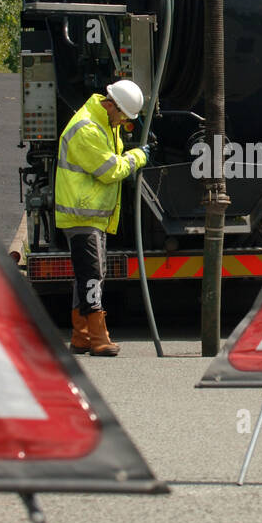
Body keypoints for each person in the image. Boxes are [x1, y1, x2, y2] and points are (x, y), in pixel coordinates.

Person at [54, 79, 149, 355]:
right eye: (122, 116)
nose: (122, 122)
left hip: (89, 215)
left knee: (87, 276)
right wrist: (138, 157)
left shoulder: (103, 123)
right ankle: (98, 337)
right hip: (82, 214)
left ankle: (81, 334)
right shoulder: (87, 129)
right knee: (93, 276)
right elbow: (109, 169)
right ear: (111, 105)